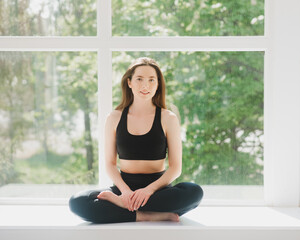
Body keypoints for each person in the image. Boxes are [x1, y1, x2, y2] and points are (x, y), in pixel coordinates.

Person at [69, 57, 203, 223]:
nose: (145, 85)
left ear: (158, 84)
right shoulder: (114, 118)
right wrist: (125, 193)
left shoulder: (168, 118)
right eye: (139, 79)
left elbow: (175, 168)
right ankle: (146, 215)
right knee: (78, 202)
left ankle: (124, 208)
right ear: (129, 82)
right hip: (124, 189)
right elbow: (110, 164)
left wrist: (148, 191)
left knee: (194, 192)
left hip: (157, 191)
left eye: (151, 80)